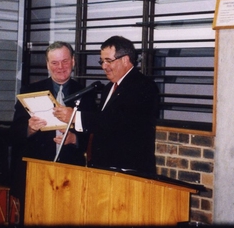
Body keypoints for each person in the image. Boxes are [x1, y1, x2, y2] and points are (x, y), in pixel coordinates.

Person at [54, 35, 160, 174]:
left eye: (109, 61)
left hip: (128, 172)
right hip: (104, 168)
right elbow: (100, 125)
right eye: (102, 61)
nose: (104, 66)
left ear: (125, 60)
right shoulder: (109, 88)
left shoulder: (143, 87)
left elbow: (118, 122)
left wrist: (75, 117)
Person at [8, 41, 98, 202]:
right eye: (55, 63)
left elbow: (94, 135)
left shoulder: (86, 94)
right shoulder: (29, 91)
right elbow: (14, 132)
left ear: (73, 62)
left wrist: (75, 139)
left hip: (70, 173)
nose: (60, 67)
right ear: (47, 65)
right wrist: (30, 128)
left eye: (65, 61)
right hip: (36, 171)